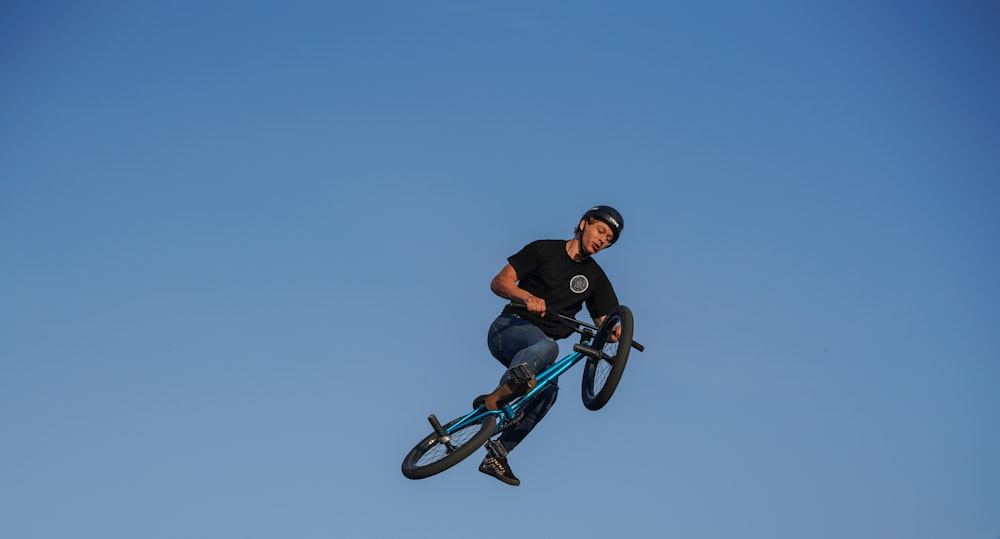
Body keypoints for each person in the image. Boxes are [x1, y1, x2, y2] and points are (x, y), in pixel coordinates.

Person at [477, 205, 625, 486]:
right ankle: (508, 388)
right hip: (508, 329)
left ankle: (498, 454)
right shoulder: (543, 249)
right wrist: (525, 296)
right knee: (550, 348)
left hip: (538, 352)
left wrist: (617, 333)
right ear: (584, 224)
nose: (602, 240)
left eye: (608, 240)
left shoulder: (595, 278)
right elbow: (499, 282)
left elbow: (606, 319)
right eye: (600, 231)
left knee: (549, 393)